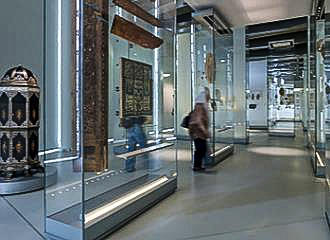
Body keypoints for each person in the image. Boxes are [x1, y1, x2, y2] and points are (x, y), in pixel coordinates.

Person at [189, 87, 210, 171]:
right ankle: (197, 166)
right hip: (198, 132)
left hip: (198, 132)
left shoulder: (199, 106)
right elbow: (198, 120)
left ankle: (198, 165)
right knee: (200, 149)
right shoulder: (200, 107)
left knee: (200, 148)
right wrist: (205, 131)